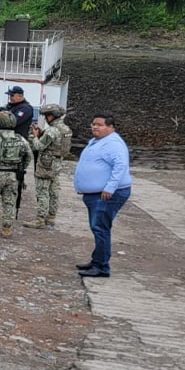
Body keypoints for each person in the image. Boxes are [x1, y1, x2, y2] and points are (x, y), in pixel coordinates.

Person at [73, 111, 132, 278]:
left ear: (111, 127)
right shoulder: (97, 141)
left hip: (106, 194)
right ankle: (97, 260)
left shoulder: (113, 143)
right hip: (96, 193)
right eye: (93, 124)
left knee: (100, 228)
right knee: (98, 227)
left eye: (99, 125)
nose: (95, 127)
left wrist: (110, 188)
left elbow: (120, 166)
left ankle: (102, 267)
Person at [25, 104, 72, 229]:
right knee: (53, 190)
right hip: (57, 163)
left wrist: (35, 136)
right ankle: (51, 216)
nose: (45, 118)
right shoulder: (65, 128)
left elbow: (39, 146)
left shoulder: (52, 130)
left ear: (52, 116)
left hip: (46, 164)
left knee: (42, 191)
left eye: (47, 115)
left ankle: (40, 218)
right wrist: (41, 133)